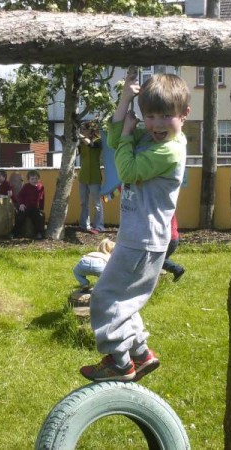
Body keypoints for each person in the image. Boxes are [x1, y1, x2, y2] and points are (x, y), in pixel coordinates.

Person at [80, 70, 189, 383]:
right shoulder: (157, 136)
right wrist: (126, 100)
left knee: (103, 297)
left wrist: (128, 135)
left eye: (165, 116)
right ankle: (141, 354)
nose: (155, 124)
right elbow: (113, 139)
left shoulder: (168, 149)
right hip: (143, 237)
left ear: (184, 115)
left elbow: (126, 170)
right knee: (123, 300)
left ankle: (120, 361)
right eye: (149, 115)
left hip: (142, 239)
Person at [78, 120, 104, 234]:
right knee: (84, 203)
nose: (82, 131)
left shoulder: (98, 141)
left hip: (94, 177)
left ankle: (98, 226)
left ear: (90, 130)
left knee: (97, 204)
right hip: (83, 177)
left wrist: (80, 136)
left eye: (84, 129)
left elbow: (91, 145)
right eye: (81, 129)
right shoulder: (81, 143)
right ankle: (84, 225)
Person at [13, 170, 45, 239]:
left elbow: (42, 198)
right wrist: (21, 204)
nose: (34, 180)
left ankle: (39, 233)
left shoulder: (41, 187)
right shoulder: (26, 186)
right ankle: (15, 233)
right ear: (28, 179)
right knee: (20, 218)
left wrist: (41, 208)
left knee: (38, 218)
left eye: (36, 178)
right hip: (25, 206)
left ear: (39, 179)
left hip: (35, 207)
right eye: (32, 179)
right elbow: (19, 196)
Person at [162, 214, 185, 282]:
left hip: (169, 239)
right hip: (173, 238)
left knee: (156, 260)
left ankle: (178, 270)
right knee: (160, 258)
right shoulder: (167, 206)